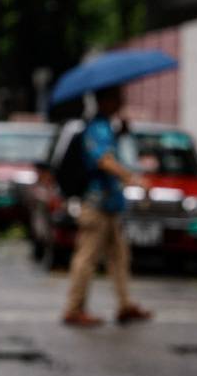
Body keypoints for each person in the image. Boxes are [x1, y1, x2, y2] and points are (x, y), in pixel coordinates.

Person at [62, 85, 153, 327]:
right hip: (96, 205)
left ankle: (125, 304)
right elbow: (104, 160)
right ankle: (74, 308)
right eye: (117, 97)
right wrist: (130, 177)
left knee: (119, 256)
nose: (121, 101)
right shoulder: (97, 128)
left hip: (111, 205)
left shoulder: (108, 128)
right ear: (105, 101)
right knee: (87, 257)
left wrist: (122, 134)